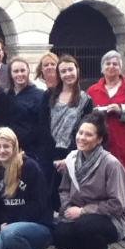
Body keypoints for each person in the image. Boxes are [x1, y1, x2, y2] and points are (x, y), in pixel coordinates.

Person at [52, 112, 125, 249]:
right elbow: (64, 189)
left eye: (88, 134)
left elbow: (117, 204)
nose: (82, 138)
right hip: (78, 214)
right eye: (80, 133)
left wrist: (83, 211)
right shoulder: (72, 159)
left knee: (85, 225)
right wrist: (68, 207)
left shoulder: (111, 164)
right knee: (58, 234)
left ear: (99, 139)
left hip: (110, 218)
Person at [87, 50, 125, 241]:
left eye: (115, 64)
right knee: (103, 185)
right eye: (108, 64)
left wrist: (121, 108)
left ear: (121, 67)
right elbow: (88, 115)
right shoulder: (94, 90)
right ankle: (110, 220)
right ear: (102, 68)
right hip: (102, 145)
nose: (111, 67)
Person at [0, 128, 52, 249]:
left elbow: (40, 203)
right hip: (9, 226)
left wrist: (12, 222)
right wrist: (3, 220)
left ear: (14, 146)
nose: (2, 150)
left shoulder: (29, 167)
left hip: (39, 225)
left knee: (11, 233)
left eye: (6, 146)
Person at [39, 55, 94, 213]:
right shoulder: (49, 95)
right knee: (47, 192)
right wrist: (49, 147)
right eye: (63, 71)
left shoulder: (85, 100)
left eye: (70, 69)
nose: (68, 74)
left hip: (72, 152)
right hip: (49, 151)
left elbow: (85, 128)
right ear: (59, 74)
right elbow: (42, 123)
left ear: (77, 70)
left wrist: (72, 153)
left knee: (69, 193)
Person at [5, 57, 44, 159]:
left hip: (30, 151)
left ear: (28, 71)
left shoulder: (39, 95)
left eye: (23, 70)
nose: (20, 74)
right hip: (8, 148)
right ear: (10, 74)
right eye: (16, 71)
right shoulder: (6, 95)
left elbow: (42, 126)